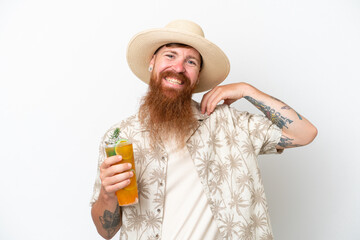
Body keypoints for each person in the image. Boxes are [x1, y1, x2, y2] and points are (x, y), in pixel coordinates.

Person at [90, 20, 317, 240]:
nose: (178, 68)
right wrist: (107, 194)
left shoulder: (230, 124)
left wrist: (247, 90)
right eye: (170, 55)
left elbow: (304, 133)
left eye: (191, 62)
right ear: (152, 62)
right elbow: (106, 232)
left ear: (198, 76)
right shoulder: (119, 136)